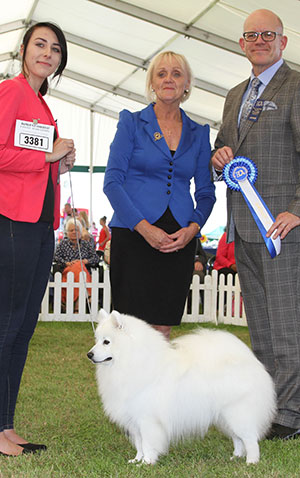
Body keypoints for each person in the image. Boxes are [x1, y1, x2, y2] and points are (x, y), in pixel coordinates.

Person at [211, 9, 300, 439]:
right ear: (242, 44)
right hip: (244, 227)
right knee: (261, 326)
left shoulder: (297, 85)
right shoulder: (234, 95)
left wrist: (297, 208)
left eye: (269, 34)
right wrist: (219, 156)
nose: (260, 40)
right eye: (252, 35)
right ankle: (270, 407)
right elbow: (225, 145)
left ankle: (292, 414)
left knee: (288, 326)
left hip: (284, 230)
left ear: (283, 42)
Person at [0, 22, 75, 456]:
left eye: (55, 48)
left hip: (39, 223)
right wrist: (46, 155)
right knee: (8, 323)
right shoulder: (11, 91)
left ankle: (6, 426)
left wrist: (57, 167)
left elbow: (24, 160)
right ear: (24, 49)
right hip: (12, 220)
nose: (47, 53)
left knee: (23, 326)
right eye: (40, 44)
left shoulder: (42, 104)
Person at [104, 51, 215, 340]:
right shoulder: (131, 122)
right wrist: (143, 228)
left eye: (177, 74)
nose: (169, 79)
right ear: (151, 82)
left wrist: (193, 229)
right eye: (161, 73)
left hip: (178, 239)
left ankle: (157, 387)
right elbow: (112, 182)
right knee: (127, 329)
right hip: (133, 233)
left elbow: (206, 192)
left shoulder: (200, 133)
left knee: (162, 328)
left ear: (187, 84)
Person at [54, 218, 100, 310]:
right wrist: (67, 263)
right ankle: (88, 295)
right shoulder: (63, 244)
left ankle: (77, 306)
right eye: (71, 230)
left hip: (83, 272)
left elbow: (96, 258)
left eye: (77, 230)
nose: (74, 232)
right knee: (78, 266)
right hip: (67, 273)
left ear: (80, 231)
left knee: (79, 265)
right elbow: (55, 257)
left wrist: (86, 261)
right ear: (67, 232)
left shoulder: (86, 244)